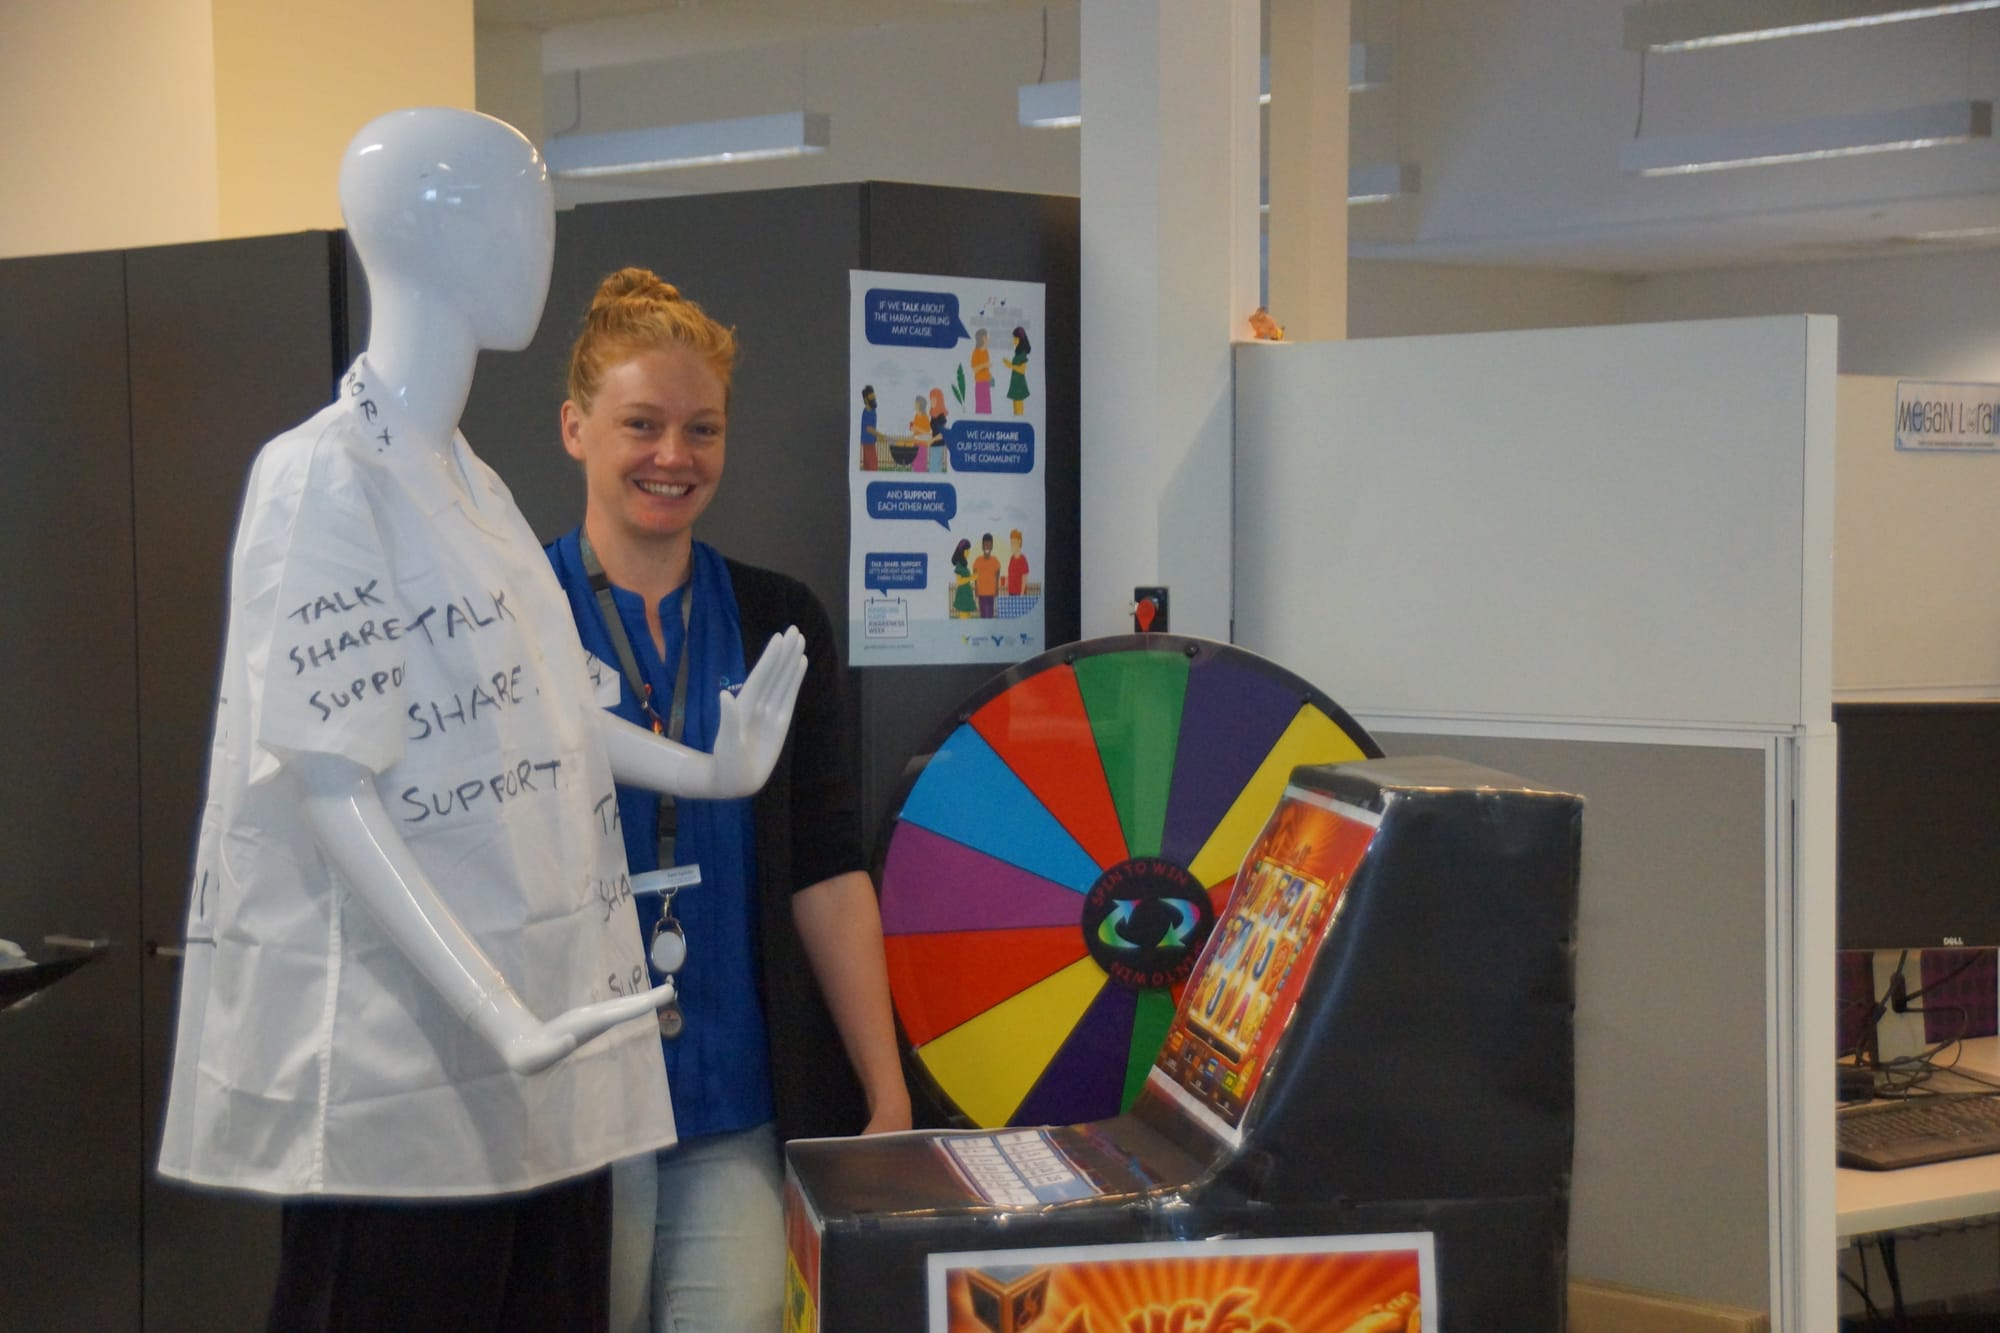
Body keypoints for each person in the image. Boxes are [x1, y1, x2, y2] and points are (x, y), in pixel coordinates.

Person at [157, 109, 806, 1332]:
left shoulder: (476, 486)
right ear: (427, 236)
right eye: (522, 217)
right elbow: (328, 780)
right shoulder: (322, 475)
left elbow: (543, 712)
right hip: (399, 1097)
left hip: (540, 1087)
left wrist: (707, 772)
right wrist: (492, 1003)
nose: (538, 249)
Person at [546, 267, 911, 1333]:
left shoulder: (775, 618)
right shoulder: (511, 616)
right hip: (575, 1111)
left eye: (701, 429)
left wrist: (883, 1093)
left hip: (733, 1100)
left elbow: (826, 864)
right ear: (576, 428)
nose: (674, 456)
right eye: (641, 424)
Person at [972, 531, 1002, 618]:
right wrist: (976, 588)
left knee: (990, 612)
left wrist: (996, 587)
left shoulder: (994, 560)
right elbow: (974, 573)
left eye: (989, 545)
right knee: (983, 612)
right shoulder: (978, 560)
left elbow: (998, 572)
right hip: (981, 592)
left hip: (991, 592)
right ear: (982, 546)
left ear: (992, 546)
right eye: (985, 545)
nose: (987, 547)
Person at [1004, 326, 1032, 416]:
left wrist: (1010, 365)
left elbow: (1022, 370)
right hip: (1015, 383)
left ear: (1020, 339)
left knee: (1019, 411)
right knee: (1016, 410)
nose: (1013, 340)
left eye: (1015, 338)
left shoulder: (1022, 353)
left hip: (1019, 384)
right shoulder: (1018, 352)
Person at [950, 538, 977, 618]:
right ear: (962, 551)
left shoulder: (964, 565)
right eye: (967, 550)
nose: (968, 552)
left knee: (967, 616)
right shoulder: (959, 565)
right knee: (964, 617)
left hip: (966, 593)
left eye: (969, 550)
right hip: (963, 594)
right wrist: (971, 578)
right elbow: (959, 581)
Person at [969, 327, 994, 415]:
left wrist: (990, 377)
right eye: (987, 337)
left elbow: (985, 369)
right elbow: (974, 369)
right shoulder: (976, 352)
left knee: (987, 409)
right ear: (983, 338)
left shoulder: (986, 351)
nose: (988, 339)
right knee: (981, 409)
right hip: (980, 384)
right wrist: (985, 365)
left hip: (986, 383)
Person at [857, 384, 879, 471]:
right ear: (866, 399)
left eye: (873, 394)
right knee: (873, 466)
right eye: (871, 394)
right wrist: (883, 436)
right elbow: (869, 429)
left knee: (868, 467)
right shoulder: (868, 411)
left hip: (870, 442)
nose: (873, 396)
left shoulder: (872, 410)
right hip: (868, 442)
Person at [928, 387, 950, 472]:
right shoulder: (933, 415)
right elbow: (934, 430)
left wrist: (932, 439)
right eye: (931, 400)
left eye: (933, 399)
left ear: (939, 400)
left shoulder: (941, 416)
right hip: (934, 443)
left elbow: (942, 434)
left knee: (935, 467)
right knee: (933, 465)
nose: (931, 402)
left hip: (938, 444)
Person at [1005, 528, 1029, 597]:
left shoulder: (1023, 559)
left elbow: (1024, 579)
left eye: (1014, 542)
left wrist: (1021, 594)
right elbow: (1010, 574)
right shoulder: (1012, 558)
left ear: (1019, 542)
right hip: (1011, 593)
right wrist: (1006, 581)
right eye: (1011, 542)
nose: (1012, 545)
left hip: (1019, 594)